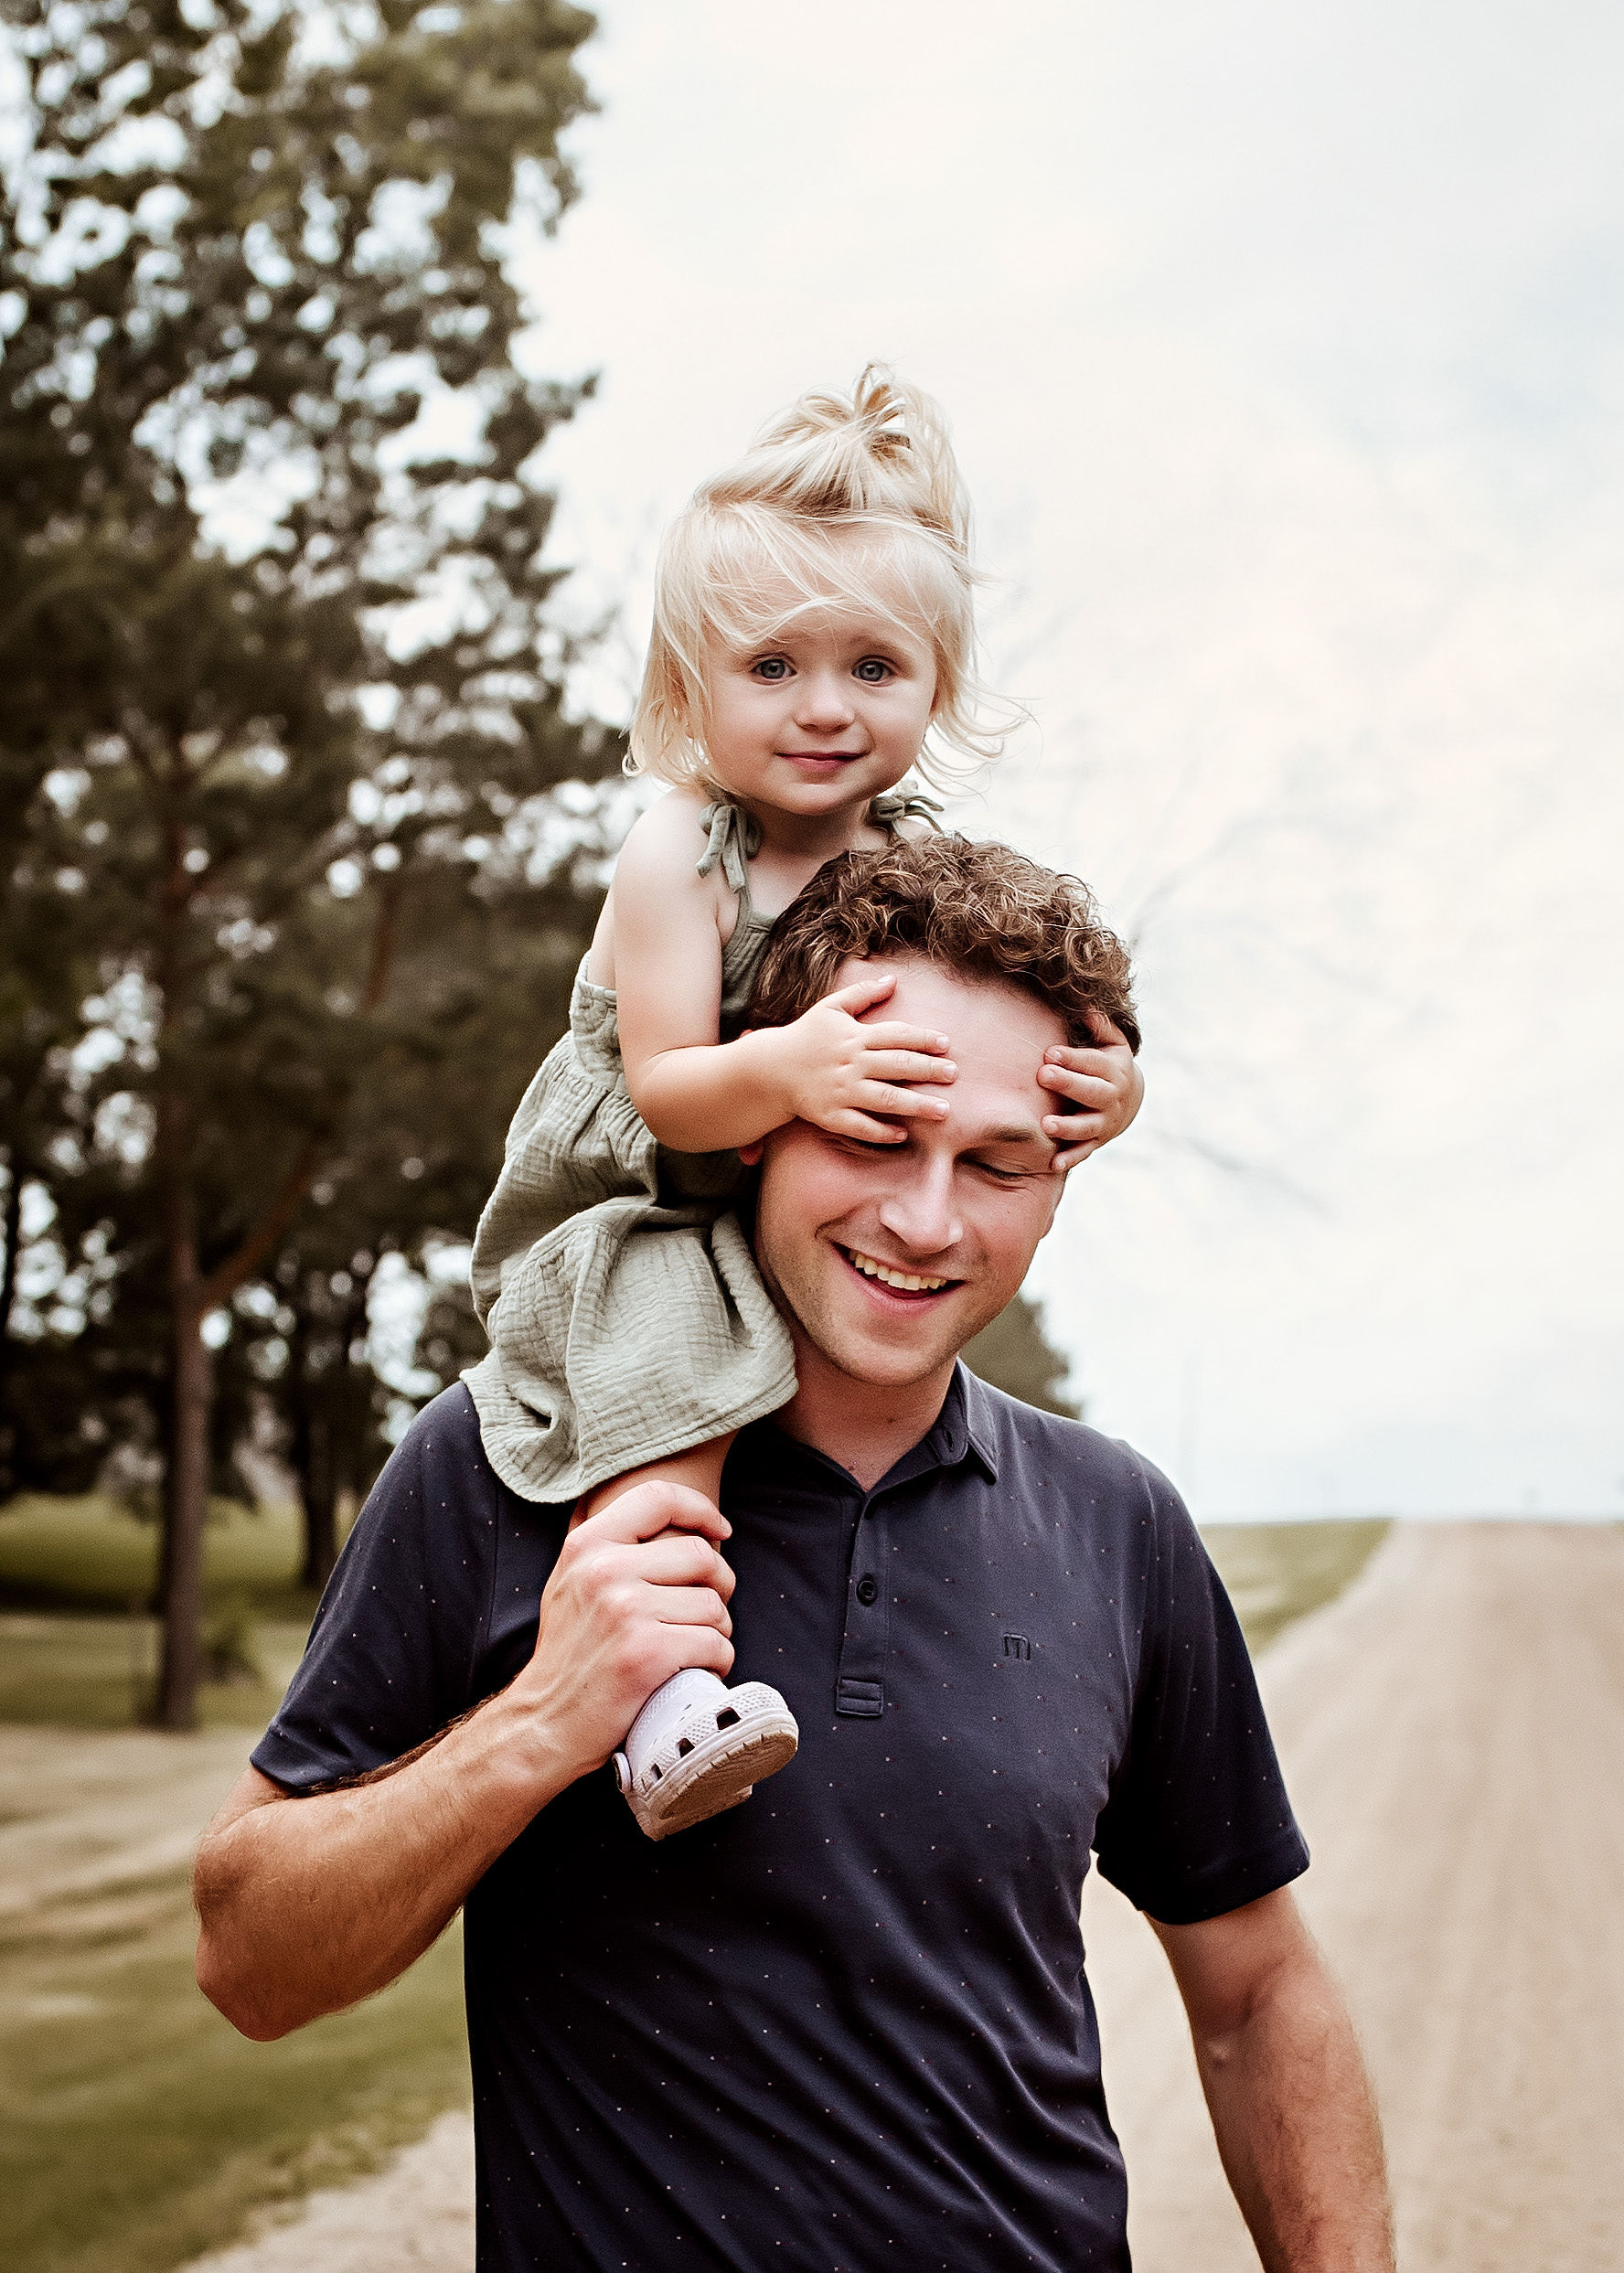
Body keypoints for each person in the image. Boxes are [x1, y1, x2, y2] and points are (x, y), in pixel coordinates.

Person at [195, 837, 1394, 2273]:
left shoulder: (1118, 1521)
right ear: (755, 1114)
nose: (927, 1217)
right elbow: (248, 1958)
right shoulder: (508, 1458)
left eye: (998, 1162)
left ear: (1060, 1175)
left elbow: (1255, 1991)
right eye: (878, 1130)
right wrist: (538, 1721)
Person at [462, 367, 1142, 1834]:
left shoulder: (916, 857)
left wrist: (1114, 1080)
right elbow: (666, 1087)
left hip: (767, 1190)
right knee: (675, 1384)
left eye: (874, 669)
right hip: (646, 1193)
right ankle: (659, 1707)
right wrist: (796, 1070)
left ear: (934, 685)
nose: (825, 707)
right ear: (690, 687)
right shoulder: (677, 859)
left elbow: (1040, 1007)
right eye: (773, 668)